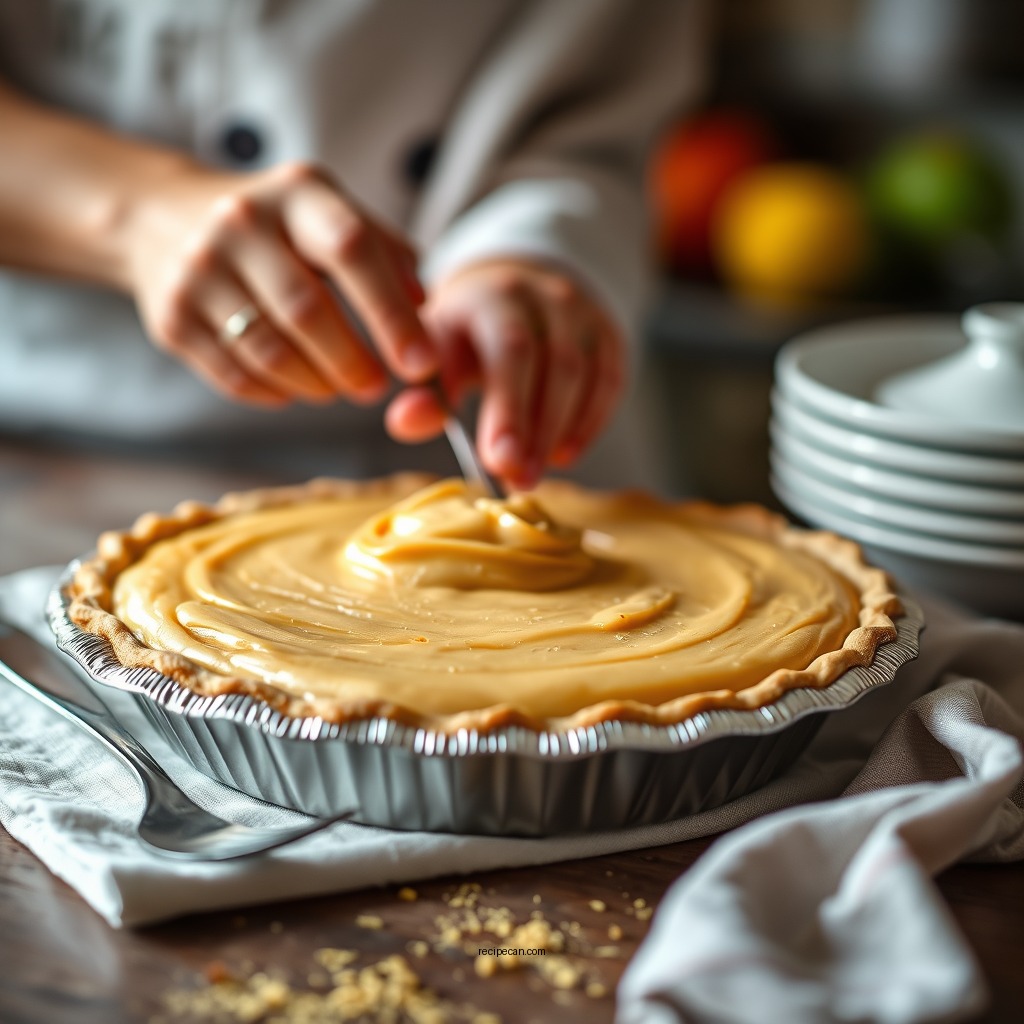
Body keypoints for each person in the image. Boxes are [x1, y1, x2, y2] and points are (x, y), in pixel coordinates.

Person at [0, 0, 706, 490]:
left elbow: (596, 112)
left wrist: (522, 252)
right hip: (54, 455)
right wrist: (139, 213)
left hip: (476, 456)